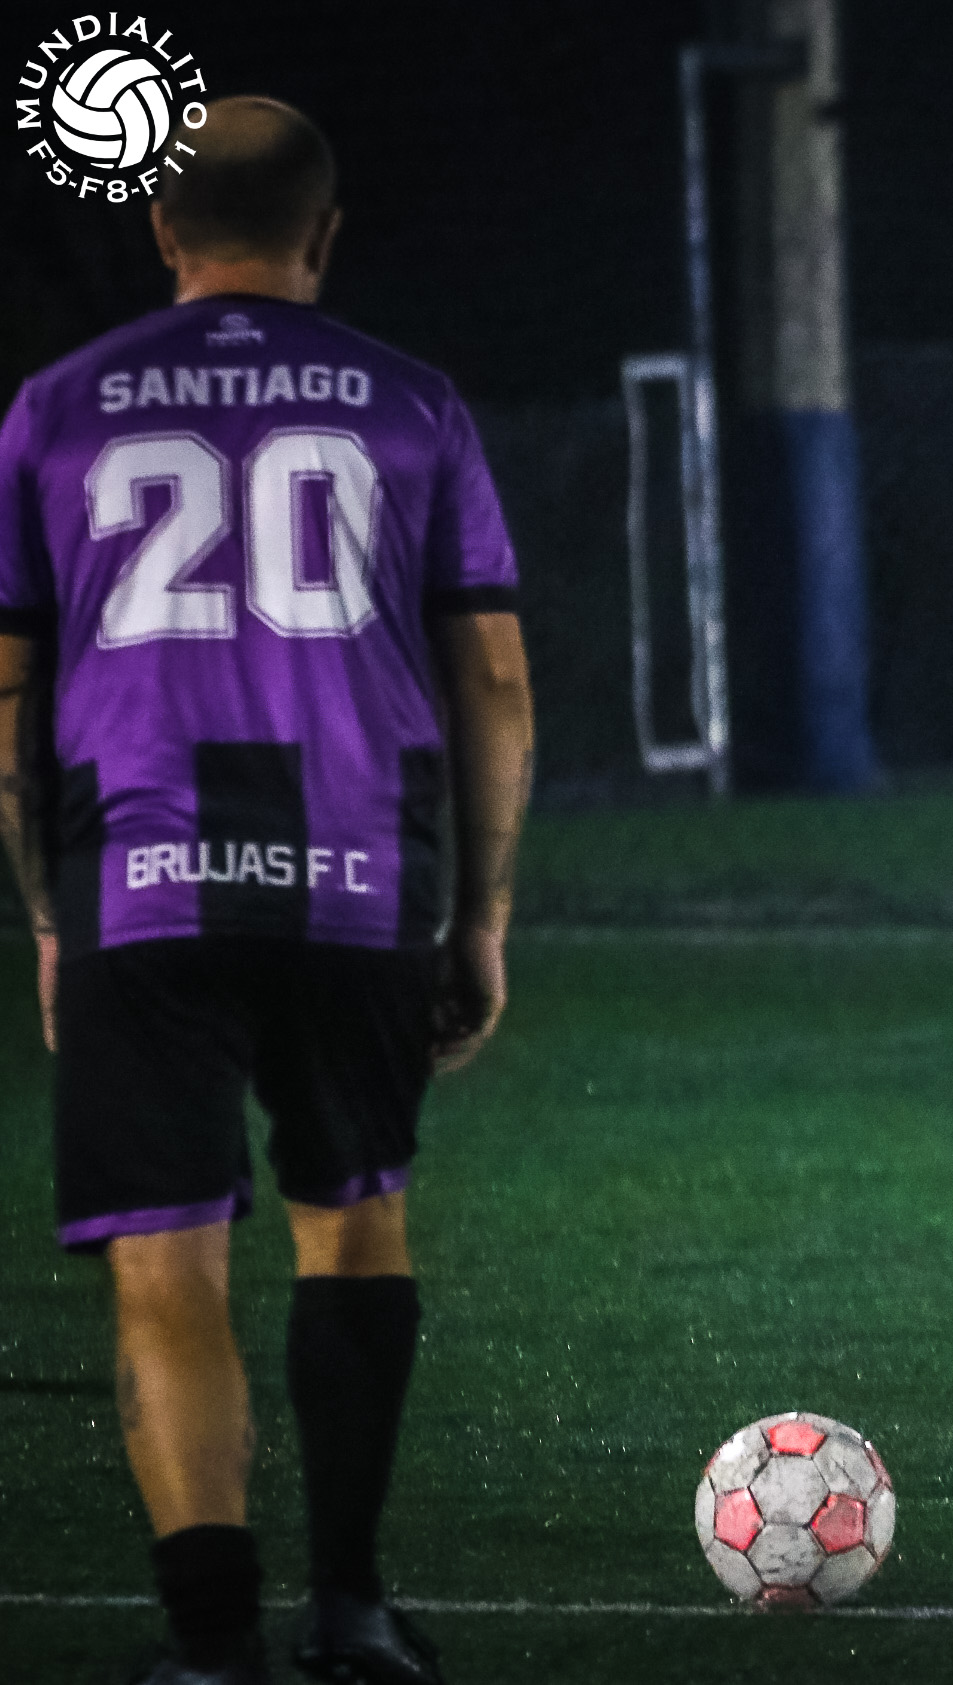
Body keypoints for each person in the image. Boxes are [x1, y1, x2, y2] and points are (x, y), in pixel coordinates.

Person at [0, 97, 532, 1683]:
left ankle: (213, 1645)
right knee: (354, 1223)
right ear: (326, 233)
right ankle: (354, 1611)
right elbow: (495, 675)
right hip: (357, 870)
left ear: (163, 229)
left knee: (166, 1260)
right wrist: (482, 912)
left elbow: (9, 690)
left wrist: (48, 911)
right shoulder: (413, 402)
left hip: (141, 873)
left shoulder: (53, 408)